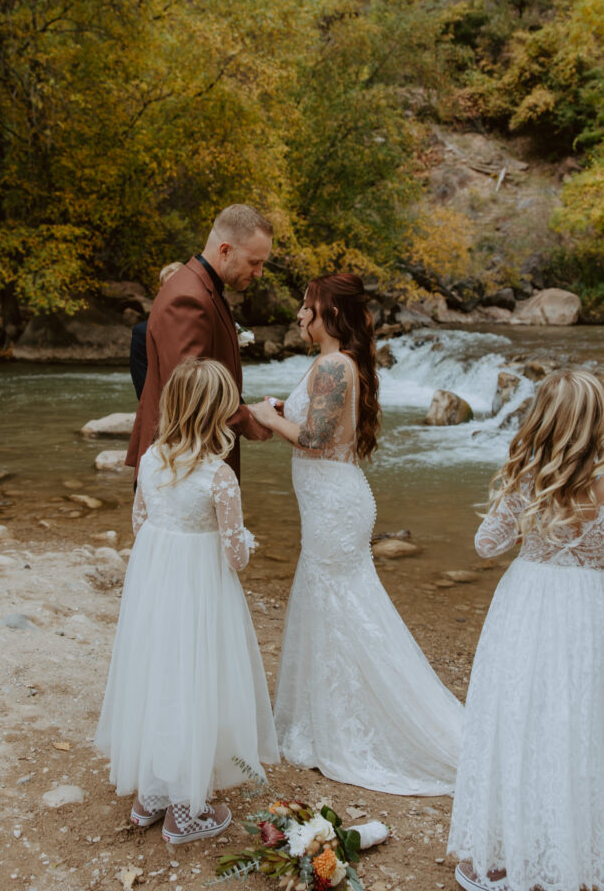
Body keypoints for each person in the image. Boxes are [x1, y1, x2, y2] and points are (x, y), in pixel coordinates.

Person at [249, 273, 463, 794]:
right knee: (334, 606)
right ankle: (324, 719)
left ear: (332, 315)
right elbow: (317, 435)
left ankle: (354, 728)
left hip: (334, 505)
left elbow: (317, 438)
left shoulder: (331, 364)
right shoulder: (335, 363)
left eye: (308, 308)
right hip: (331, 500)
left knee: (341, 606)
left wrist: (264, 416)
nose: (300, 316)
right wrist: (282, 414)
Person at [95, 358, 279, 844]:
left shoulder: (153, 457)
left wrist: (167, 549)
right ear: (216, 413)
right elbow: (236, 555)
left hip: (155, 587)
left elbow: (141, 521)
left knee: (158, 676)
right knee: (195, 680)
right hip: (201, 592)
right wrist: (248, 540)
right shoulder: (219, 476)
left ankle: (149, 795)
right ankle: (187, 808)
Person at [447, 370, 604, 891]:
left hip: (530, 606)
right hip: (589, 610)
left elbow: (486, 545)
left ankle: (512, 848)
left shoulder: (529, 479)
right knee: (580, 723)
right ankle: (578, 848)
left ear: (542, 421)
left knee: (521, 718)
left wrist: (516, 497)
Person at [125, 204, 273, 481]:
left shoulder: (202, 287)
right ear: (225, 250)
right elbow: (189, 394)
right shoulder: (188, 298)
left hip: (191, 463)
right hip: (178, 471)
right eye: (254, 262)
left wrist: (250, 410)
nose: (259, 273)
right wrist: (245, 420)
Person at [130, 262, 183, 400]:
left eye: (178, 283)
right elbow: (142, 388)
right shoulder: (142, 333)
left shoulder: (204, 325)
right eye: (168, 286)